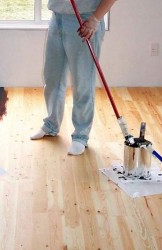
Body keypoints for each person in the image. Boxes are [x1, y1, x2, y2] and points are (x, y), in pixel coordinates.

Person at [31, 0, 117, 155]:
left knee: (82, 81)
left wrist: (95, 19)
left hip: (84, 20)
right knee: (52, 77)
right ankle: (51, 124)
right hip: (57, 17)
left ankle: (81, 135)